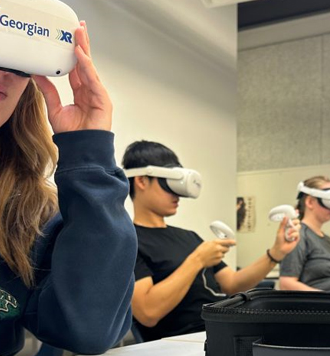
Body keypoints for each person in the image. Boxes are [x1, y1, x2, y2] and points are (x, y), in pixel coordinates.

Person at [0, 0, 137, 355]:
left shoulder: (31, 212)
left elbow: (89, 329)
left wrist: (90, 151)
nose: (1, 67)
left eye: (20, 42)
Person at [122, 140, 300, 342]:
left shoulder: (189, 236)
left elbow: (232, 285)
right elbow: (147, 312)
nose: (177, 194)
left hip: (223, 331)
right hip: (185, 340)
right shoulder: (129, 242)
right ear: (142, 181)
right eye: (168, 185)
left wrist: (276, 253)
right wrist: (197, 260)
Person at [279, 176, 330, 292]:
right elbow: (286, 284)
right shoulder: (298, 235)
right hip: (323, 307)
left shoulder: (329, 241)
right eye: (329, 200)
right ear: (310, 202)